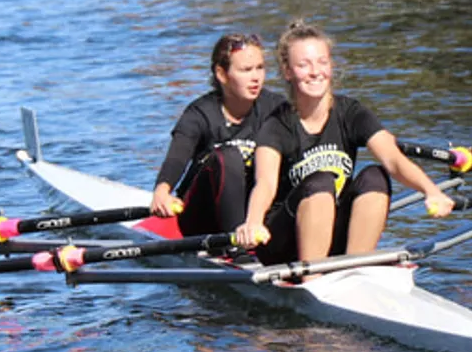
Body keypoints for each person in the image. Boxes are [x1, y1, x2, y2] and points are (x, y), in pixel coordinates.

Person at [234, 23, 454, 265]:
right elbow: (264, 183)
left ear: (331, 65)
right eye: (303, 65)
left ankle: (356, 264)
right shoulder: (276, 125)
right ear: (287, 71)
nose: (315, 71)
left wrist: (431, 191)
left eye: (322, 62)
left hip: (331, 232)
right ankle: (313, 275)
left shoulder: (351, 112)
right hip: (283, 241)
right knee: (321, 180)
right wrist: (253, 220)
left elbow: (393, 159)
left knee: (375, 176)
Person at [150, 33, 290, 236]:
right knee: (229, 155)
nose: (256, 77)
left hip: (253, 214)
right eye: (245, 70)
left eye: (260, 68)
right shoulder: (199, 113)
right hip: (201, 217)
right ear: (221, 74)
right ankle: (238, 249)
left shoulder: (276, 108)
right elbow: (176, 157)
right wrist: (162, 191)